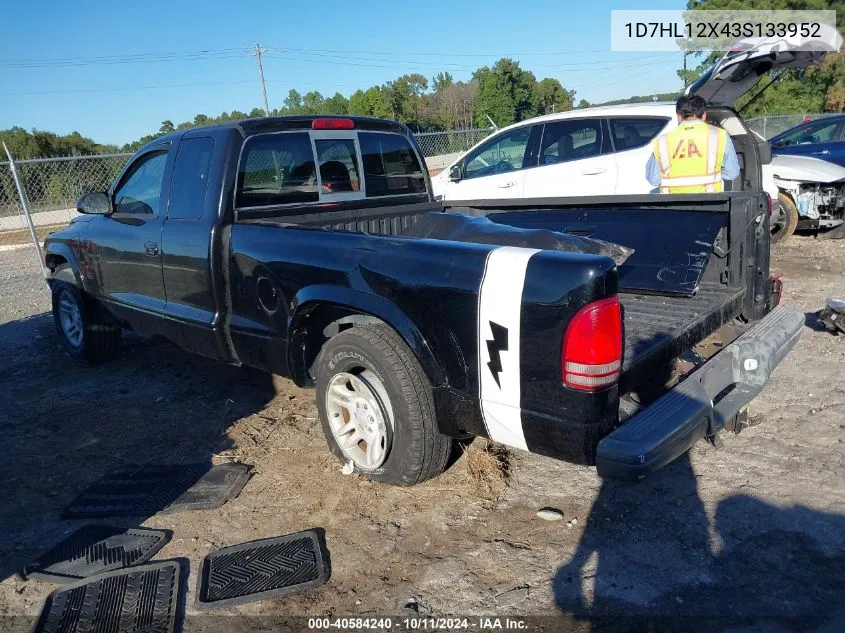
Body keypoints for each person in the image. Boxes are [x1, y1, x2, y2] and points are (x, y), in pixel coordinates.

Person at [646, 95, 740, 193]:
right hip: (711, 203)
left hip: (673, 204)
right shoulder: (720, 135)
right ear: (704, 115)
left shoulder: (662, 141)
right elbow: (731, 173)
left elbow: (653, 179)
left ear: (678, 116)